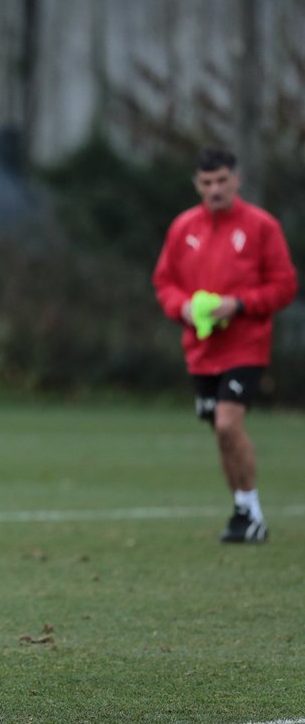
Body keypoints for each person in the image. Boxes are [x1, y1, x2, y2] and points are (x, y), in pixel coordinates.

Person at [152, 146, 298, 544]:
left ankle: (253, 512)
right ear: (196, 184)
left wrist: (241, 303)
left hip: (245, 346)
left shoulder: (261, 226)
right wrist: (181, 307)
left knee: (227, 423)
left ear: (237, 179)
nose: (215, 189)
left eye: (221, 180)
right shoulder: (183, 228)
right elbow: (164, 282)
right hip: (201, 351)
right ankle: (243, 512)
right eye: (206, 182)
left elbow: (285, 286)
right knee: (222, 434)